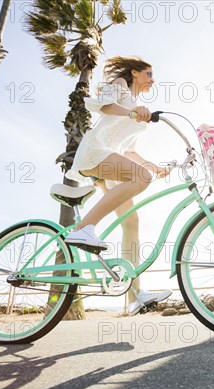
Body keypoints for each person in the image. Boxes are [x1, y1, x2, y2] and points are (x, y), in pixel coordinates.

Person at [64, 56, 172, 315]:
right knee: (140, 178)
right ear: (135, 73)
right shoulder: (121, 84)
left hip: (111, 162)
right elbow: (104, 106)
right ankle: (83, 228)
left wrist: (153, 165)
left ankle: (134, 295)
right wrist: (131, 112)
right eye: (148, 73)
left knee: (131, 222)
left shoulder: (137, 107)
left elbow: (129, 150)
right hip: (96, 152)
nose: (152, 79)